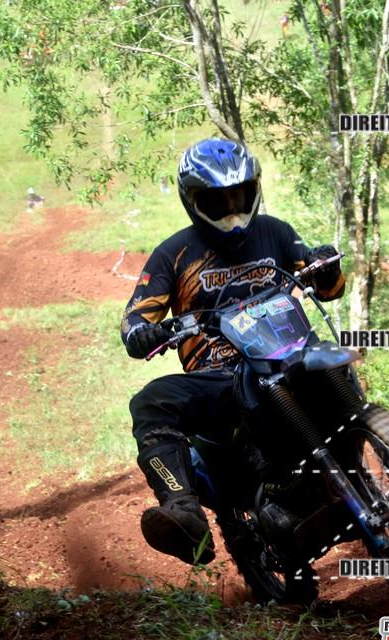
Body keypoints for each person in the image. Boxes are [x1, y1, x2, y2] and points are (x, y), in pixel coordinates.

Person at [121, 138, 345, 565]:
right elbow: (135, 317)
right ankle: (183, 511)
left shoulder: (276, 232)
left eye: (238, 195)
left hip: (290, 352)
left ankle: (375, 457)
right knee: (150, 402)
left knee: (340, 363)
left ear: (253, 189)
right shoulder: (173, 254)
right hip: (220, 375)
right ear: (193, 200)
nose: (231, 208)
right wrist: (142, 333)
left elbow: (328, 287)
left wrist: (326, 264)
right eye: (217, 200)